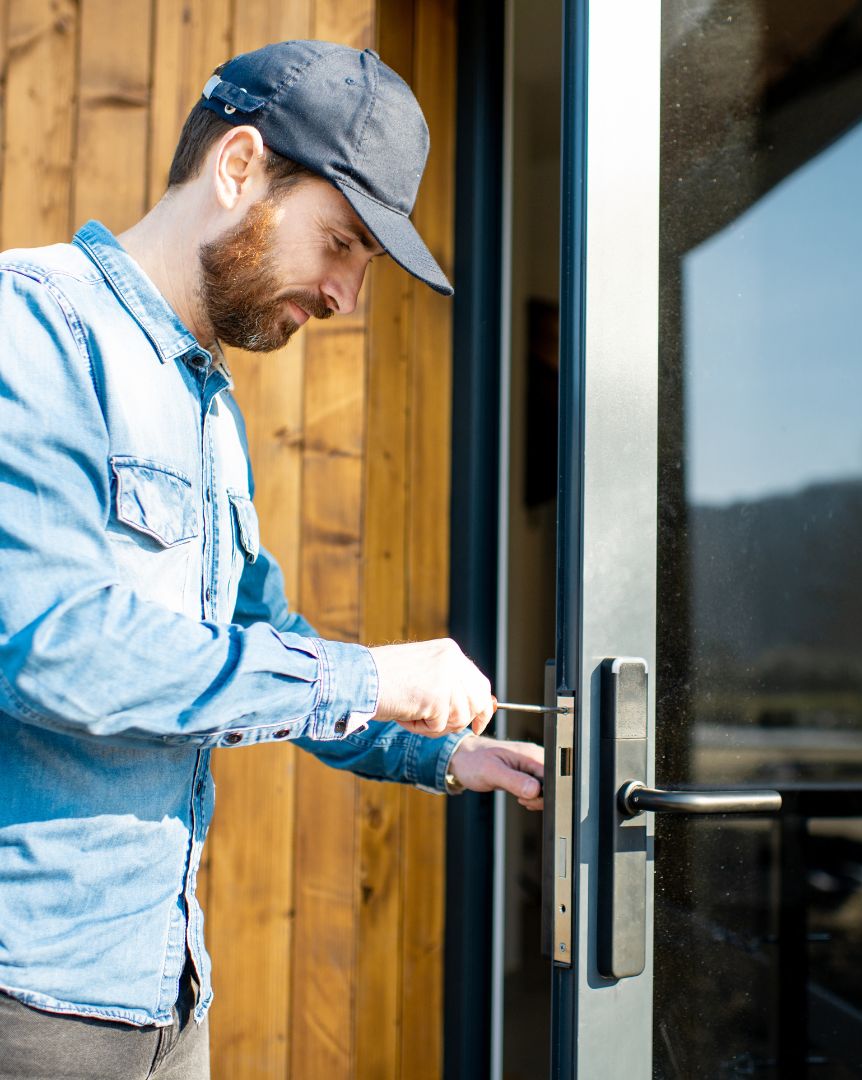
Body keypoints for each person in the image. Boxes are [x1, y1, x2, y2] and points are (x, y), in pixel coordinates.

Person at [0, 40, 542, 1079]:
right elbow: (56, 650)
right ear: (239, 167)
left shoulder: (208, 403)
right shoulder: (33, 325)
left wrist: (434, 750)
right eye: (339, 244)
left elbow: (261, 647)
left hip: (167, 992)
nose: (347, 295)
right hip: (30, 1007)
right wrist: (374, 677)